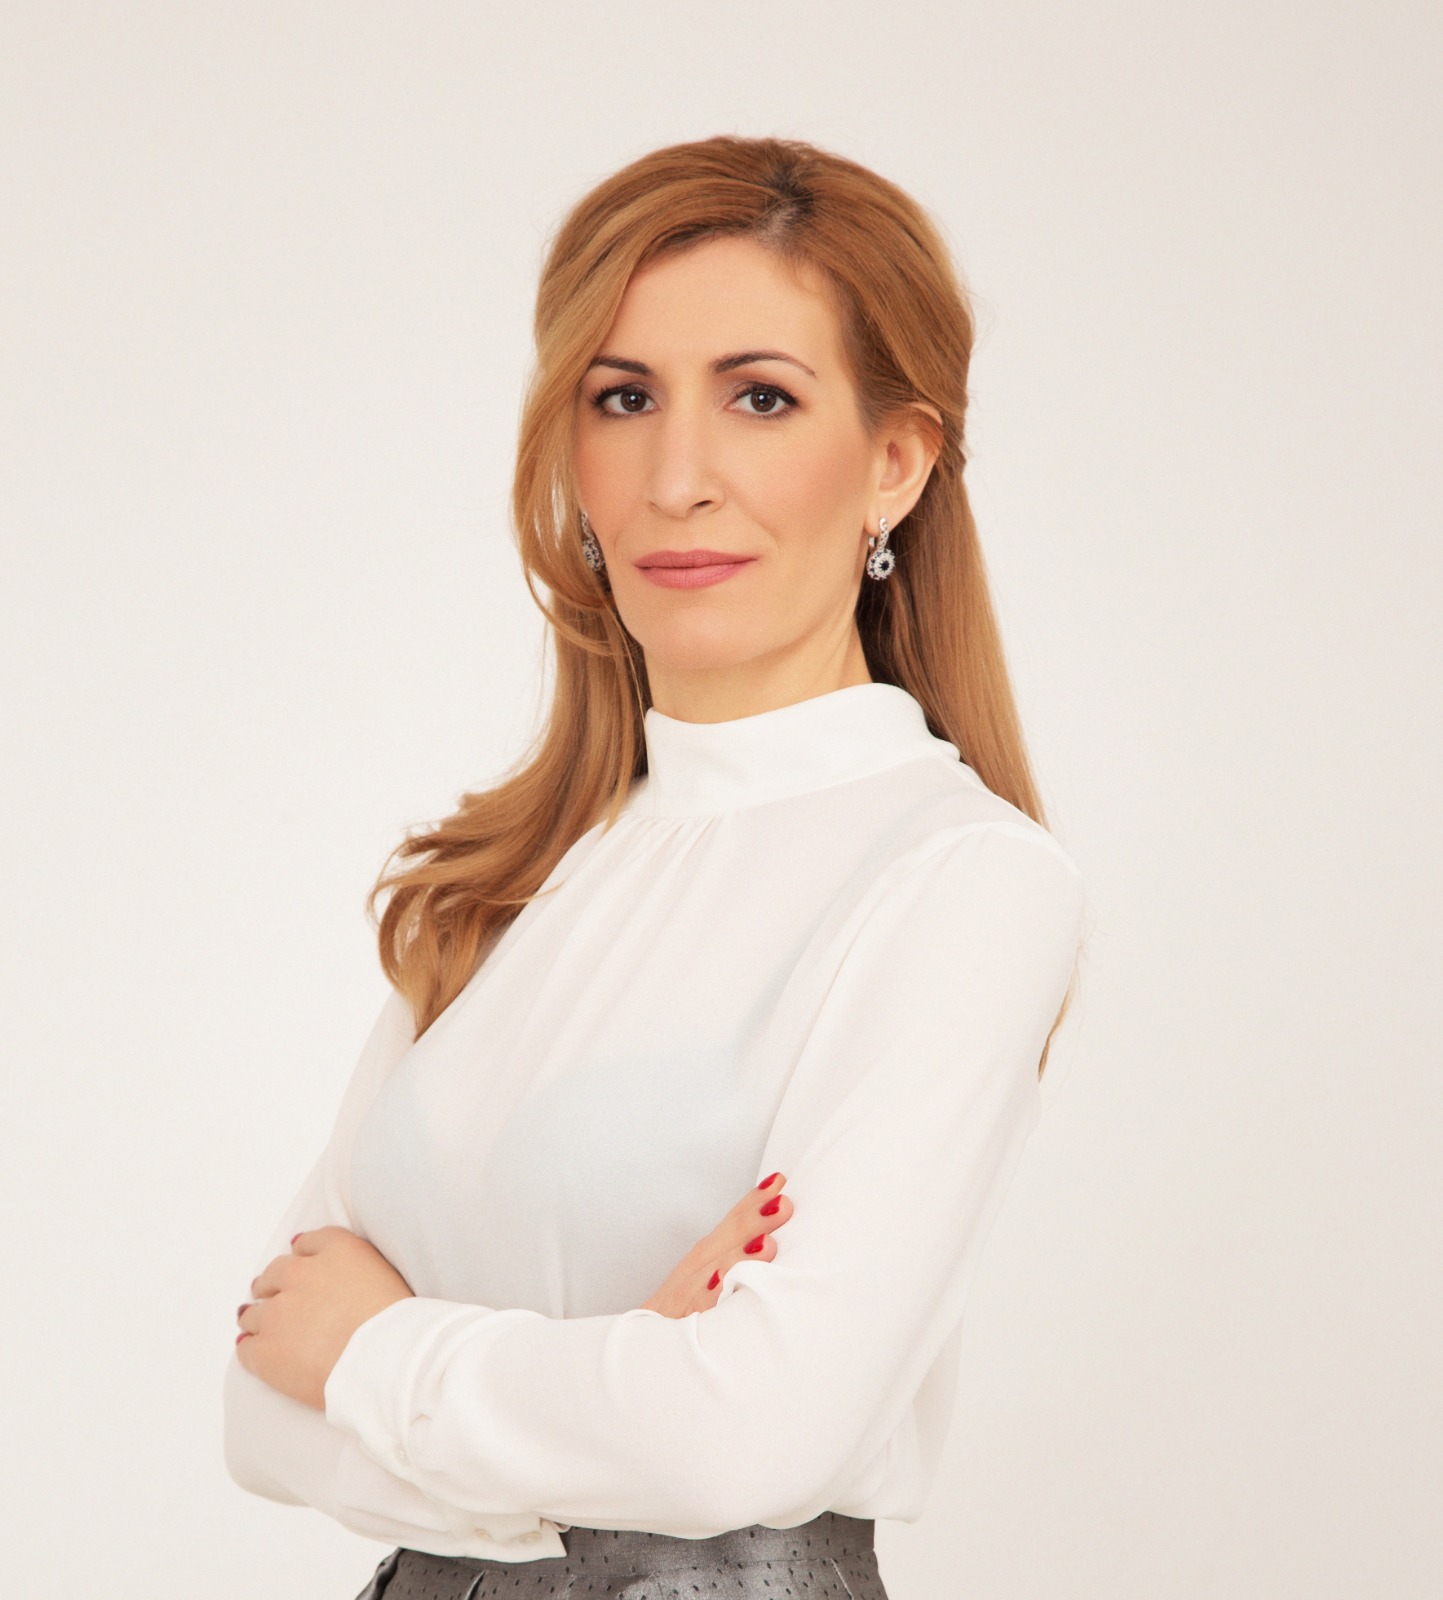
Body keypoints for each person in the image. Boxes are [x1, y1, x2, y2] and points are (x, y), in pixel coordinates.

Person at [223, 133, 1087, 1600]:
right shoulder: (513, 878)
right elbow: (260, 1407)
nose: (678, 479)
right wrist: (618, 1378)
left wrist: (377, 1353)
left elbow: (747, 1440)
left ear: (895, 462)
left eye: (761, 398)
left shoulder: (963, 880)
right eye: (622, 398)